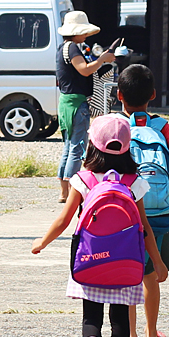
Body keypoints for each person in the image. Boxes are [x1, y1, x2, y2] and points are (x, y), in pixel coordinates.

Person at [31, 114, 167, 337]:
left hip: (91, 260)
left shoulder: (83, 179)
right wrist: (158, 262)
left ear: (92, 144)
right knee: (119, 319)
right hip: (127, 263)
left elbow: (64, 219)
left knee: (90, 316)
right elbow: (145, 229)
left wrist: (41, 242)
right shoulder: (134, 181)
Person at [117, 64, 169, 337]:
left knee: (130, 274)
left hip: (126, 212)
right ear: (153, 94)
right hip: (159, 210)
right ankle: (151, 336)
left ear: (119, 95)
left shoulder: (115, 125)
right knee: (151, 276)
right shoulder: (162, 125)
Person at [55, 11, 116, 202]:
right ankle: (71, 191)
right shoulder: (73, 48)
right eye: (84, 32)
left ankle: (63, 191)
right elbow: (84, 70)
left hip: (65, 102)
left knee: (68, 147)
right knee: (77, 148)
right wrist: (102, 60)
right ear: (77, 32)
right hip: (76, 104)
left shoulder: (62, 48)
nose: (86, 36)